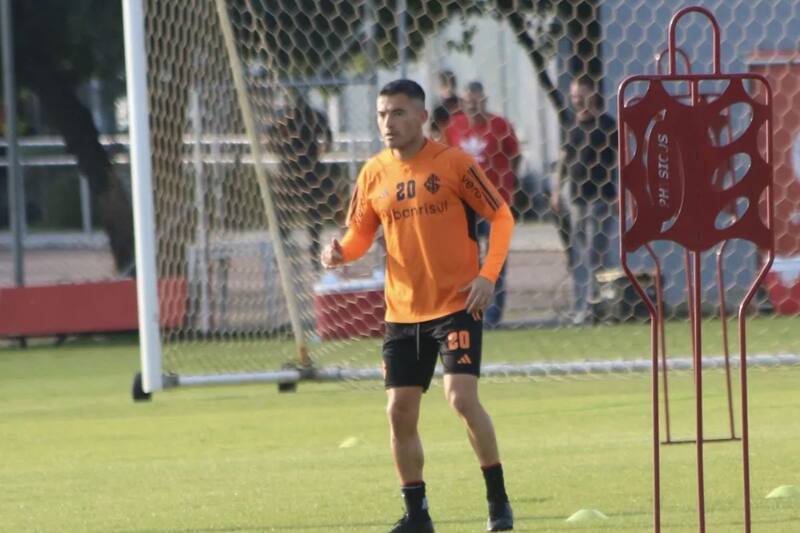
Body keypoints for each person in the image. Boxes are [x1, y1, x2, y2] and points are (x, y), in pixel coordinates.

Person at [320, 79, 514, 533]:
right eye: (382, 114)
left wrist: (488, 275)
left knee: (461, 398)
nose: (388, 123)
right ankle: (416, 515)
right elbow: (360, 233)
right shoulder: (373, 173)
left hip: (457, 304)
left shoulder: (454, 164)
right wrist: (341, 253)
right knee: (398, 412)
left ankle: (498, 501)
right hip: (402, 313)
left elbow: (502, 216)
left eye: (398, 113)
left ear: (423, 117)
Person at [445, 81, 520, 328]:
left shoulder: (500, 125)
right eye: (468, 101)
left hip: (496, 203)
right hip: (465, 204)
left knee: (495, 260)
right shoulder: (454, 126)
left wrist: (508, 186)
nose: (472, 105)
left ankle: (493, 315)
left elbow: (515, 156)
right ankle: (472, 311)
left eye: (476, 100)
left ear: (484, 100)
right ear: (462, 102)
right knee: (468, 260)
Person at [551, 77, 618, 324]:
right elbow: (564, 160)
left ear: (593, 93)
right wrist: (556, 191)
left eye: (581, 95)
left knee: (595, 255)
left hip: (602, 199)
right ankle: (583, 308)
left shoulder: (608, 125)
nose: (577, 100)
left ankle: (598, 308)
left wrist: (621, 193)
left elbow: (622, 159)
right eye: (574, 96)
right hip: (577, 200)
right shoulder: (573, 126)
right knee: (580, 256)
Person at [267, 93, 333, 272]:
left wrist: (278, 148)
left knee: (309, 216)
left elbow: (328, 138)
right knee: (295, 217)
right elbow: (328, 139)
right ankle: (287, 255)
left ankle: (308, 254)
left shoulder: (311, 116)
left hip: (300, 170)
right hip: (298, 170)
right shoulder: (286, 118)